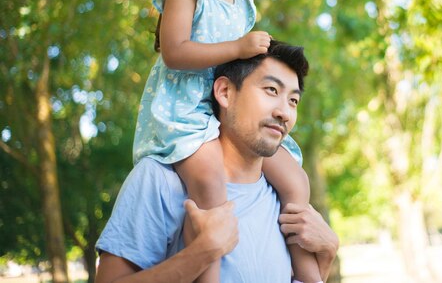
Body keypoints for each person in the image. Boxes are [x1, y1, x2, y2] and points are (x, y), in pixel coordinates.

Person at [132, 0, 319, 282]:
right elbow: (174, 51)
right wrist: (237, 46)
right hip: (185, 112)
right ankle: (209, 275)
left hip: (228, 113)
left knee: (296, 180)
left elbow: (242, 72)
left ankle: (309, 275)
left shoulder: (242, 3)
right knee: (211, 183)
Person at [95, 41, 339, 283]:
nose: (284, 112)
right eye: (271, 90)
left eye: (293, 101)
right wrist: (200, 254)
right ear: (225, 92)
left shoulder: (286, 201)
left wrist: (326, 255)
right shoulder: (159, 180)